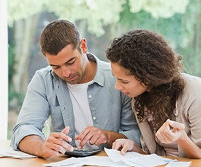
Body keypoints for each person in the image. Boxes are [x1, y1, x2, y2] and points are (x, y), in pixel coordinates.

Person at [11, 20, 140, 159]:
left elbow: (137, 135)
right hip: (64, 165)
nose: (66, 73)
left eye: (70, 62)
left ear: (83, 46)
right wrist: (41, 147)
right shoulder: (43, 80)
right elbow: (24, 129)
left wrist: (108, 136)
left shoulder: (117, 79)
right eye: (56, 67)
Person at [106, 29, 201, 159]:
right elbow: (154, 157)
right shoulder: (139, 99)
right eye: (116, 78)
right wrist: (133, 147)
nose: (117, 87)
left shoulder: (195, 91)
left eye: (124, 81)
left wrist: (181, 139)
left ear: (147, 76)